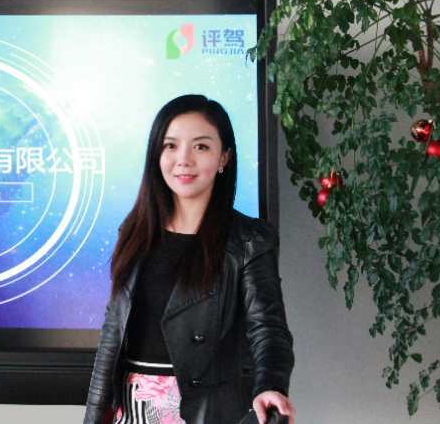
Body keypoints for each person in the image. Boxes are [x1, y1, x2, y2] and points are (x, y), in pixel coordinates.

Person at [83, 94, 296, 424]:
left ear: (223, 157)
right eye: (170, 145)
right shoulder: (135, 231)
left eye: (201, 147)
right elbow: (112, 334)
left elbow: (267, 328)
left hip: (203, 412)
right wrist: (94, 416)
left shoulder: (249, 240)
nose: (183, 159)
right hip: (130, 410)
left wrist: (271, 385)